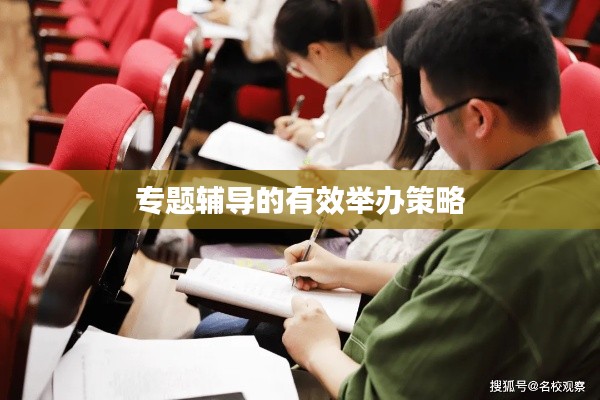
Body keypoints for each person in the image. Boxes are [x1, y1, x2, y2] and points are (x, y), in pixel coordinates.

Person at [282, 0, 600, 398]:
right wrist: (343, 271)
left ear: (479, 118)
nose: (431, 133)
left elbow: (377, 394)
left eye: (430, 115)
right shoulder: (575, 180)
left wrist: (318, 349)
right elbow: (439, 277)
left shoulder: (491, 254)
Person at [194, 0, 457, 348]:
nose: (390, 85)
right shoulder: (437, 133)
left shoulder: (444, 145)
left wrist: (354, 225)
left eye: (392, 76)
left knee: (213, 217)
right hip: (359, 231)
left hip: (363, 252)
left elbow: (415, 266)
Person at [270, 0, 401, 169]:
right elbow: (340, 132)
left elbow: (323, 171)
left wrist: (314, 140)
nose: (302, 73)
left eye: (297, 66)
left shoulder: (372, 92)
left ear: (317, 51)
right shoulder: (365, 76)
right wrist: (312, 128)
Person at [189, 0, 286, 139]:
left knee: (217, 74)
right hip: (238, 46)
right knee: (201, 59)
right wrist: (220, 10)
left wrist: (232, 19)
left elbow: (265, 44)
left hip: (267, 62)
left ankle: (205, 136)